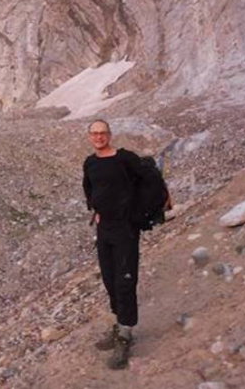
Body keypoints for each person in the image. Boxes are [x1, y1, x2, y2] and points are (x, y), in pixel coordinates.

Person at [82, 119, 148, 370]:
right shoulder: (90, 162)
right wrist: (95, 208)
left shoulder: (125, 159)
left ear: (109, 135)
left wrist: (140, 212)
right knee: (110, 279)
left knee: (125, 280)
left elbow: (148, 177)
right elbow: (88, 187)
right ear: (90, 137)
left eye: (102, 133)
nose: (99, 137)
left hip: (125, 229)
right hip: (104, 228)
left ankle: (125, 335)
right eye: (94, 133)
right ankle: (120, 323)